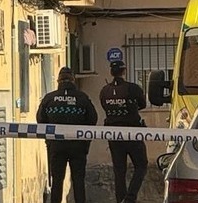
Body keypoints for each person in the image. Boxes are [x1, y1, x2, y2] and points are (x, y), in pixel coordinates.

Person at [36, 66, 98, 203]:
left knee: (57, 181)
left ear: (58, 81)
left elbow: (40, 120)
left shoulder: (49, 98)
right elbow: (93, 118)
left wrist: (50, 139)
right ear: (73, 80)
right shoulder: (82, 98)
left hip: (56, 146)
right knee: (78, 181)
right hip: (78, 146)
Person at [99, 60, 148, 203]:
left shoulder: (104, 91)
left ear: (111, 72)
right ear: (124, 71)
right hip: (132, 133)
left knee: (119, 171)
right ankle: (130, 198)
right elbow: (143, 104)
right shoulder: (132, 88)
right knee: (141, 165)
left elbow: (105, 107)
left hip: (114, 135)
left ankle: (120, 199)